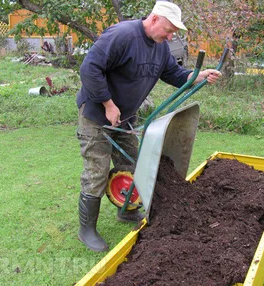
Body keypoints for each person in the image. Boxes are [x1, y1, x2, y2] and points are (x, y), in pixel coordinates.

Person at [76, 1, 222, 252]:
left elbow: (176, 76)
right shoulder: (122, 35)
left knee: (136, 165)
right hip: (96, 115)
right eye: (169, 29)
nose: (171, 35)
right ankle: (86, 229)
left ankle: (126, 210)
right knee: (97, 171)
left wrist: (199, 75)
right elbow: (89, 69)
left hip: (124, 118)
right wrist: (108, 104)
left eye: (174, 31)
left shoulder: (160, 48)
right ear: (155, 19)